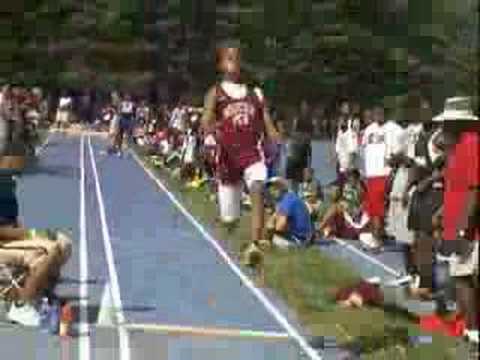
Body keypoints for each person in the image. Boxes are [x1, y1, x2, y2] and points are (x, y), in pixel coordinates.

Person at [201, 41, 279, 248]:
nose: (234, 62)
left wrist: (274, 138)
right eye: (229, 57)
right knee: (230, 219)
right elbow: (206, 121)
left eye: (237, 57)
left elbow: (267, 120)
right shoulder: (216, 93)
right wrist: (209, 136)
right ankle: (227, 230)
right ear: (220, 65)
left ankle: (256, 243)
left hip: (252, 153)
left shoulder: (255, 93)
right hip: (227, 157)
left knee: (258, 186)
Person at [436, 97, 479, 344]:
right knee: (460, 277)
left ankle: (473, 332)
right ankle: (470, 326)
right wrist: (442, 211)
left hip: (466, 227)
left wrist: (463, 230)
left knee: (464, 278)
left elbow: (474, 189)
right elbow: (457, 187)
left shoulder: (471, 144)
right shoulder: (459, 146)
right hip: (455, 221)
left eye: (448, 123)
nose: (444, 128)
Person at [265, 177, 314, 249]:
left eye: (275, 189)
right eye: (270, 189)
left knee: (269, 238)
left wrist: (269, 228)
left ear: (283, 188)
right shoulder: (290, 197)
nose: (272, 192)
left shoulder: (287, 201)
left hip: (299, 241)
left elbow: (279, 227)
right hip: (305, 238)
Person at [286, 99, 314, 192]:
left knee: (302, 176)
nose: (305, 108)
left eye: (306, 106)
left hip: (305, 150)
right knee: (293, 177)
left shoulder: (310, 120)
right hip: (295, 150)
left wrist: (305, 138)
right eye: (303, 106)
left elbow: (311, 136)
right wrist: (301, 138)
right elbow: (292, 134)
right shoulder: (297, 118)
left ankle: (301, 194)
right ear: (300, 107)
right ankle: (293, 193)